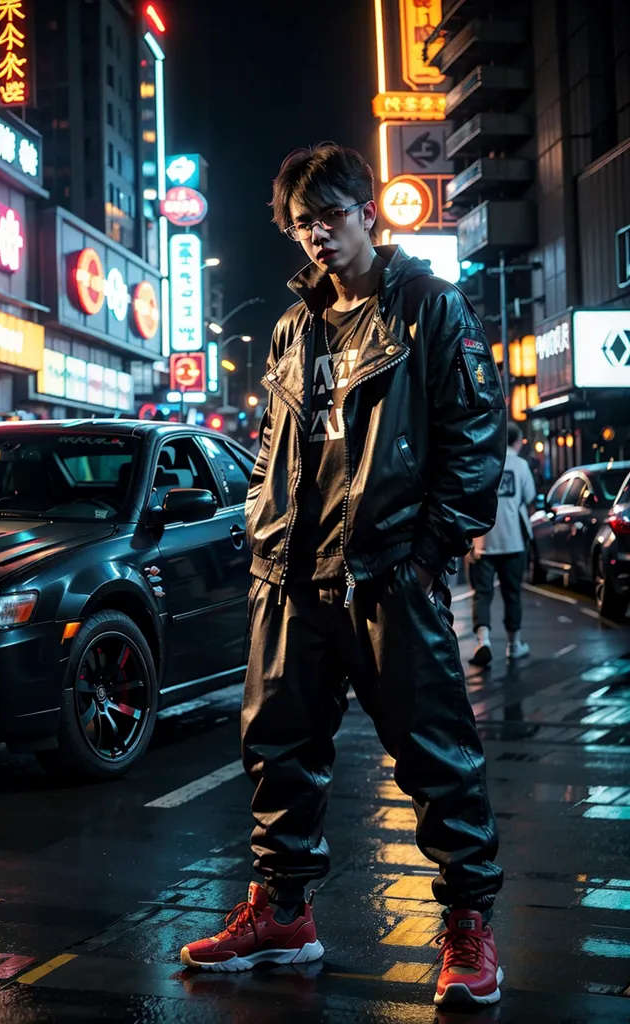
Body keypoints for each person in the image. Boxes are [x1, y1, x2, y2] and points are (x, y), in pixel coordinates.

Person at [181, 143, 507, 1007]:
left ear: (370, 210)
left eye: (329, 216)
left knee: (435, 755)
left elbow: (476, 437)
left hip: (388, 570)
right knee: (276, 750)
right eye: (300, 224)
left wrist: (430, 555)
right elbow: (271, 446)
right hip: (291, 571)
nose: (316, 237)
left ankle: (470, 929)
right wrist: (261, 528)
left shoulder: (429, 309)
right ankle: (283, 914)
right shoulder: (295, 326)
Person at [469, 423, 536, 667]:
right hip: (514, 541)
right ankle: (514, 644)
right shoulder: (520, 466)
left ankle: (483, 641)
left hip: (483, 540)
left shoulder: (482, 461)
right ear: (517, 442)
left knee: (482, 594)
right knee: (512, 594)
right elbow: (529, 498)